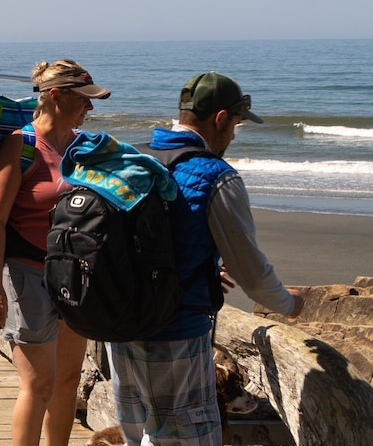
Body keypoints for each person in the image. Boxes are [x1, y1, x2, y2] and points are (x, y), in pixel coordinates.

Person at [107, 72, 306, 445]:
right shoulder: (215, 176)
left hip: (118, 323)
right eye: (236, 125)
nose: (233, 135)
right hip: (176, 331)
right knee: (187, 438)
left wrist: (205, 267)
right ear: (220, 119)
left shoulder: (134, 156)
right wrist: (288, 303)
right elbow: (253, 273)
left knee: (143, 432)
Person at [0, 60, 105, 446]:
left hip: (74, 276)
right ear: (54, 96)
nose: (90, 107)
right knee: (38, 384)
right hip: (27, 272)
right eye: (83, 99)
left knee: (67, 381)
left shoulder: (84, 145)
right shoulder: (21, 145)